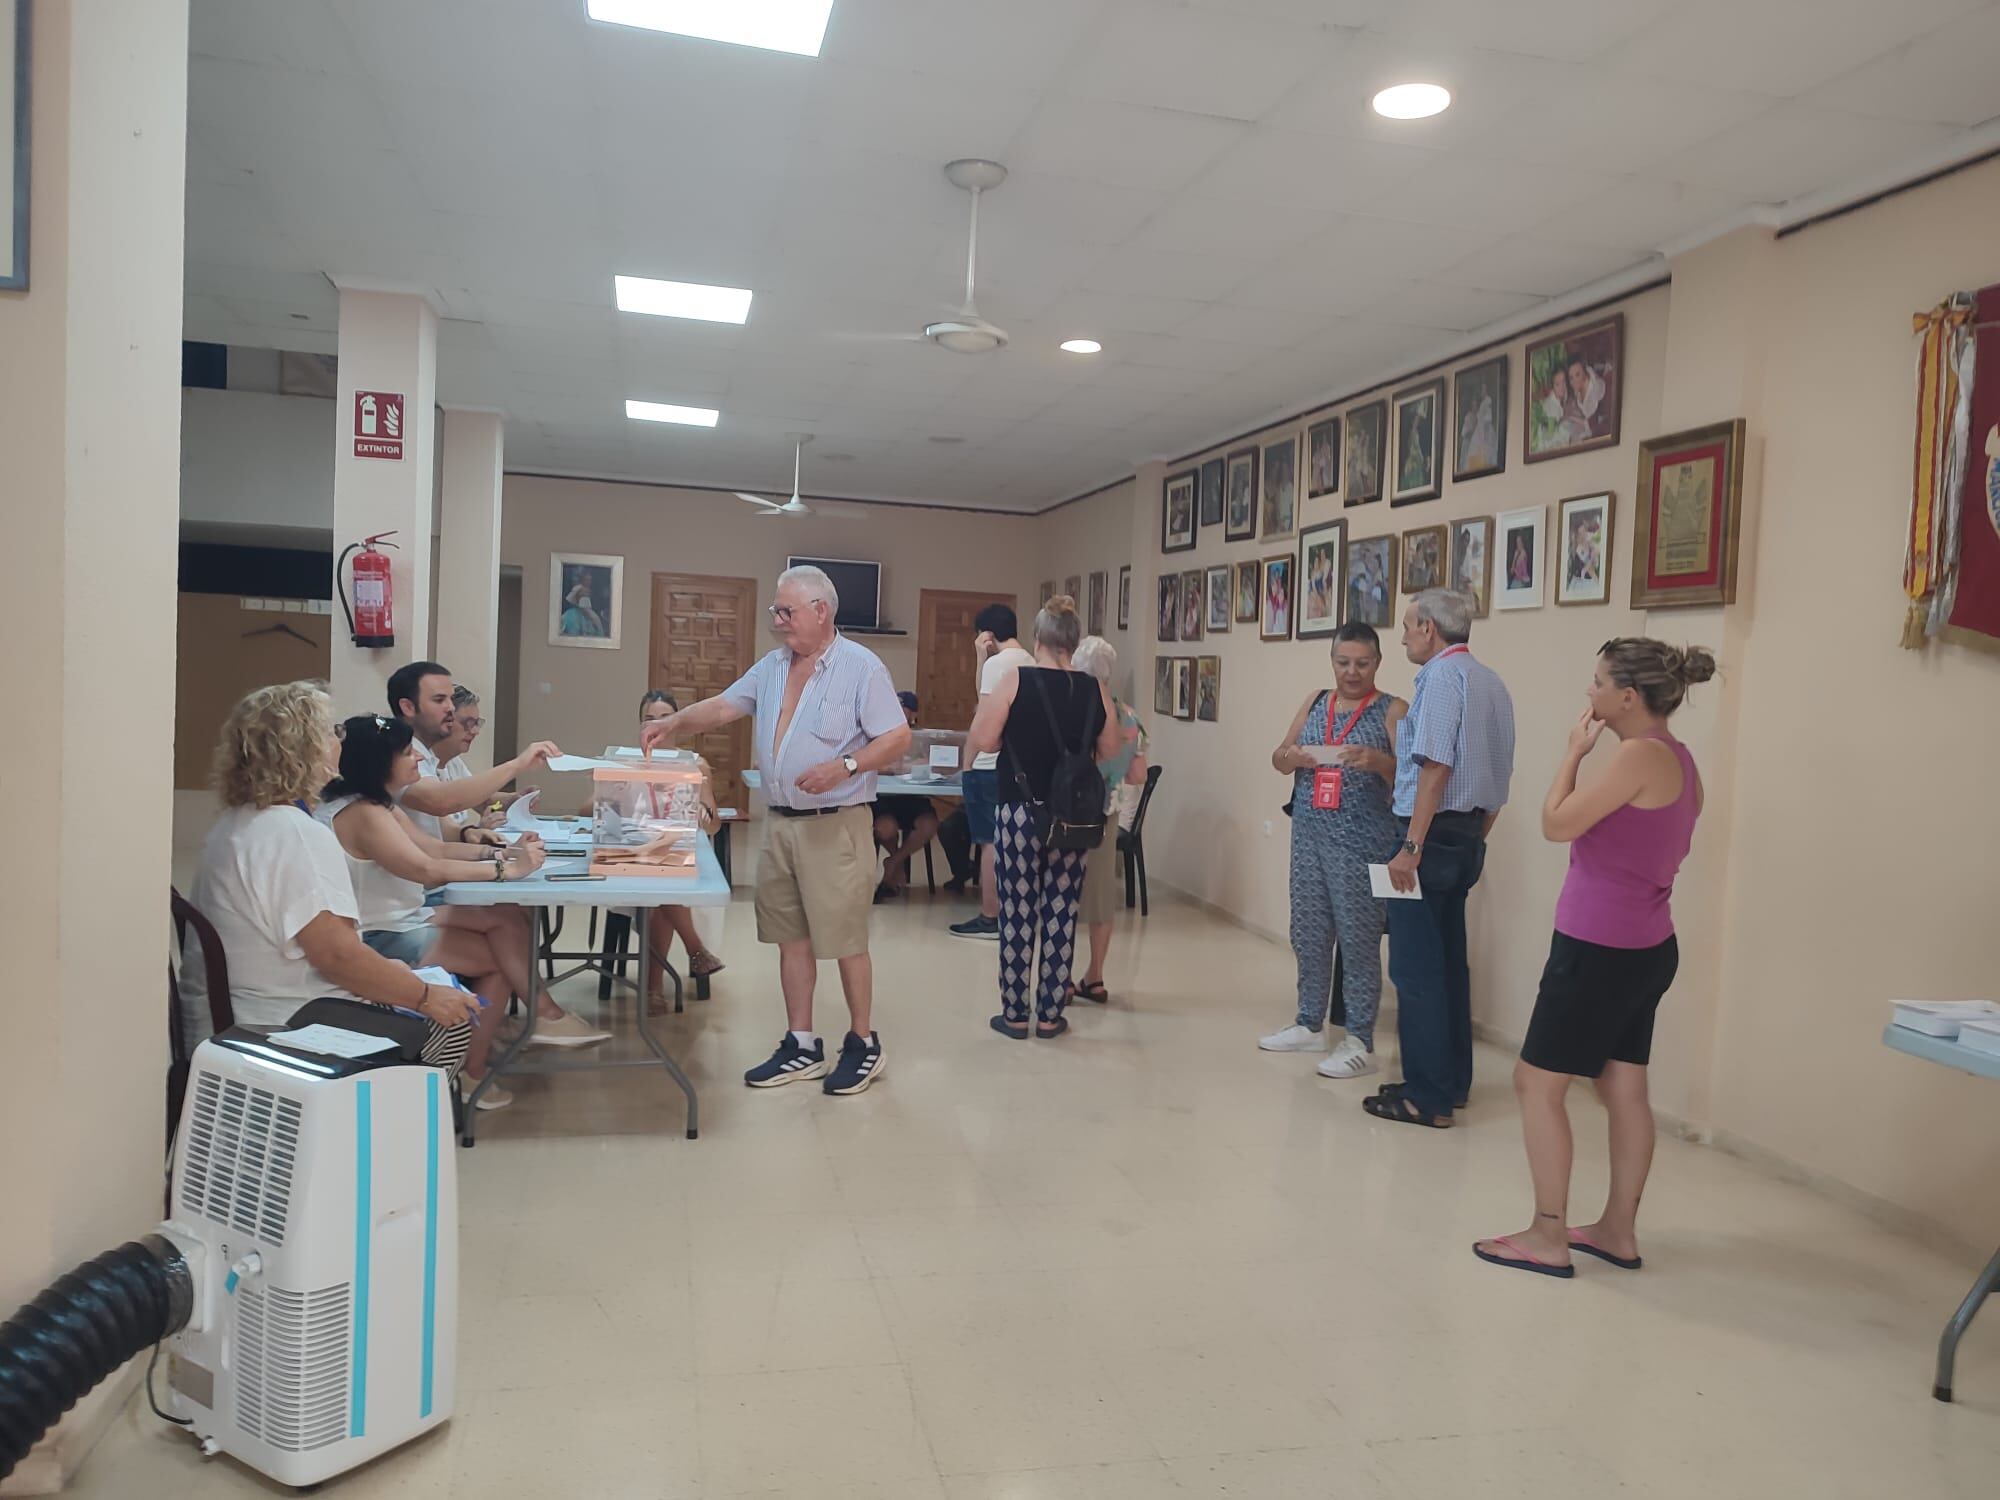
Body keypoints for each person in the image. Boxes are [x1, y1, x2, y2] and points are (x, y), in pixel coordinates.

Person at [1474, 641, 1712, 1278]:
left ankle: (1547, 1235)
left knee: (1536, 1083)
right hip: (1646, 947)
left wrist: (1573, 756)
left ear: (1628, 698)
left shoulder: (1635, 755)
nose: (1589, 692)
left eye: (1598, 681)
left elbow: (1557, 822)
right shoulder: (1681, 760)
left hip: (1600, 948)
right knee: (1623, 1085)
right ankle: (1616, 1230)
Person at [641, 565, 909, 1094]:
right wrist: (675, 721)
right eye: (776, 611)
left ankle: (862, 1042)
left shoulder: (862, 668)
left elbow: (897, 737)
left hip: (836, 826)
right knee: (791, 937)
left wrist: (847, 766)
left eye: (786, 611)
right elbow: (724, 706)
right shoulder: (772, 667)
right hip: (783, 824)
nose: (778, 621)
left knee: (846, 939)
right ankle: (801, 1043)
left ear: (821, 611)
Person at [177, 683, 480, 1075]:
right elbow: (338, 957)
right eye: (332, 732)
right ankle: (390, 1128)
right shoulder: (295, 833)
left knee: (409, 986)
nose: (340, 741)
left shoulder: (236, 823)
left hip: (233, 1014)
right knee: (451, 1023)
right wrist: (423, 996)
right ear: (305, 749)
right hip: (285, 1023)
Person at [318, 716, 601, 1110]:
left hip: (403, 916)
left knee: (502, 918)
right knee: (500, 964)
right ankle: (472, 1074)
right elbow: (425, 869)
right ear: (379, 762)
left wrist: (502, 852)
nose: (418, 757)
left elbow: (435, 849)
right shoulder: (364, 814)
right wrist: (508, 869)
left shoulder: (376, 801)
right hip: (380, 937)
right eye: (406, 752)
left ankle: (541, 1016)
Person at [1364, 589, 1516, 1129]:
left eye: (1407, 625)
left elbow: (1434, 768)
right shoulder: (1491, 683)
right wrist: (1473, 838)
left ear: (1429, 628)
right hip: (1468, 834)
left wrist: (1412, 846)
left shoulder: (1440, 679)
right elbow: (1499, 779)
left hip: (1425, 838)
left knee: (1414, 967)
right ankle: (1450, 1081)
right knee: (1450, 961)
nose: (1403, 636)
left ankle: (1425, 1097)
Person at [966, 598, 1120, 1039]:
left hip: (1019, 808)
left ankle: (1016, 1013)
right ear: (1073, 642)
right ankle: (1051, 1013)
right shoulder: (1095, 689)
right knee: (1060, 911)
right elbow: (1109, 752)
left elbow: (985, 738)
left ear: (1038, 639)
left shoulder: (1016, 679)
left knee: (1017, 912)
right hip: (1073, 816)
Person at [1260, 622, 1406, 1078]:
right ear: (1332, 661)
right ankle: (1309, 1023)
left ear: (1378, 663)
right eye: (1344, 662)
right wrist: (1294, 758)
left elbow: (1412, 779)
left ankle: (1360, 1037)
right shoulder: (1316, 702)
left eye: (1362, 663)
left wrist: (1379, 761)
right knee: (1308, 932)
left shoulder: (1392, 710)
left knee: (1359, 941)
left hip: (1363, 845)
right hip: (1309, 838)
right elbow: (1279, 756)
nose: (1352, 672)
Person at [390, 660, 560, 842]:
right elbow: (441, 801)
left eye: (449, 700)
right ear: (408, 707)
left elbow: (476, 807)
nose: (449, 708)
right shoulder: (397, 754)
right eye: (440, 700)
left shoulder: (434, 755)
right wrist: (517, 765)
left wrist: (512, 801)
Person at [1068, 636, 1147, 1006]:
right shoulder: (1129, 716)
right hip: (1106, 812)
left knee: (1062, 895)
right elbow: (1138, 776)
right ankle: (1095, 977)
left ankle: (1061, 977)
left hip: (1066, 812)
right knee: (1101, 899)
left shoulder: (1069, 710)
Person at [950, 604, 1033, 941]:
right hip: (1018, 765)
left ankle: (989, 914)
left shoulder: (997, 664)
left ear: (986, 634)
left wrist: (982, 660)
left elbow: (983, 712)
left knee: (988, 841)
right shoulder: (1031, 661)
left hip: (987, 763)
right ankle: (1012, 911)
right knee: (1012, 840)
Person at [638, 690, 726, 993]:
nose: (656, 725)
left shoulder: (695, 764)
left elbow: (713, 824)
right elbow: (587, 809)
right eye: (648, 719)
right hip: (635, 854)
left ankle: (653, 989)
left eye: (664, 718)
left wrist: (702, 811)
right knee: (662, 881)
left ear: (676, 724)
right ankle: (695, 951)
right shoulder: (627, 762)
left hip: (681, 853)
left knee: (665, 883)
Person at [873, 690, 940, 901]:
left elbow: (933, 763)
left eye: (905, 709)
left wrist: (907, 766)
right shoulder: (879, 735)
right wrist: (894, 768)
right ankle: (897, 866)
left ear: (913, 714)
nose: (900, 713)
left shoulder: (921, 738)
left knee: (929, 825)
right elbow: (872, 765)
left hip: (914, 799)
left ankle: (893, 863)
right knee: (885, 829)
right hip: (885, 799)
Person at [439, 684, 518, 832]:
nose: (475, 731)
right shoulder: (418, 764)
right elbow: (437, 842)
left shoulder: (453, 761)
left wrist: (514, 799)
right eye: (468, 723)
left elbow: (482, 801)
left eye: (476, 724)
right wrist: (478, 832)